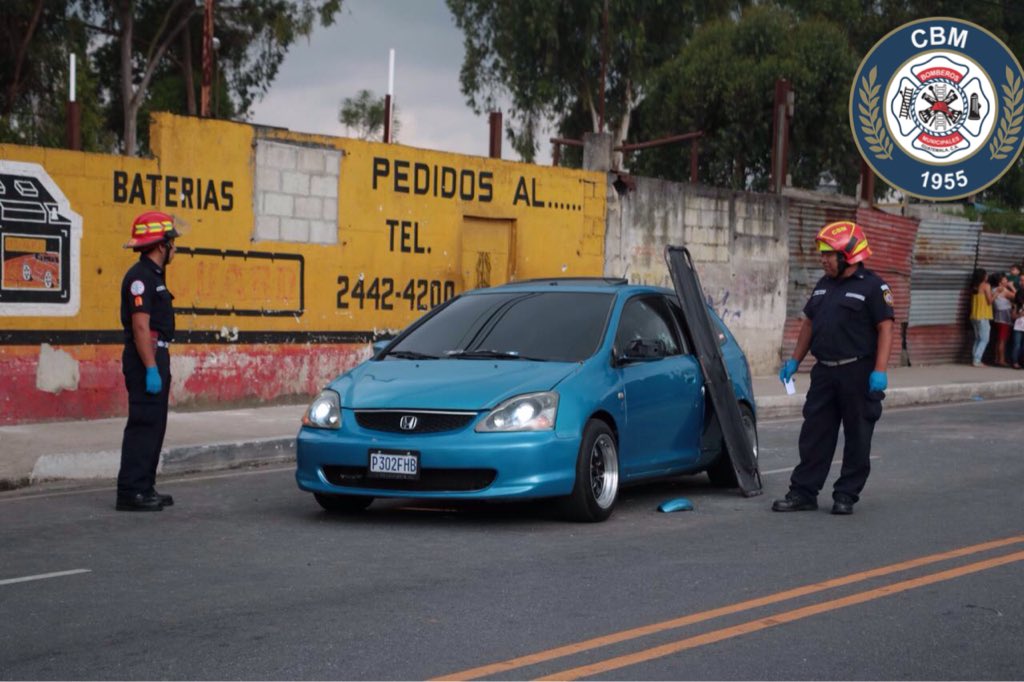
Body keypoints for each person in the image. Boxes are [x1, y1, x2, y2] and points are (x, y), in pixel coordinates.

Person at [773, 221, 894, 515]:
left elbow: (886, 328)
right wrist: (794, 360)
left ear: (849, 255)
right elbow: (810, 324)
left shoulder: (874, 287)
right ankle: (803, 493)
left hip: (858, 372)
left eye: (829, 254)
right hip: (824, 372)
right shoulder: (824, 285)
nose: (823, 259)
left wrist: (879, 370)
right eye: (823, 254)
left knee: (857, 435)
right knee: (814, 433)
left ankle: (846, 494)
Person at [115, 211, 180, 511]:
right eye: (171, 243)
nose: (174, 248)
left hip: (157, 355)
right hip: (146, 358)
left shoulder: (153, 277)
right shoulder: (140, 278)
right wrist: (151, 368)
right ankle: (131, 491)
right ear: (160, 246)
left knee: (155, 424)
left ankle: (145, 486)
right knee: (143, 423)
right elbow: (142, 327)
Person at [968, 268, 994, 368]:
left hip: (974, 315)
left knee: (978, 338)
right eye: (986, 275)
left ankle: (975, 359)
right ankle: (977, 360)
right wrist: (996, 293)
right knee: (984, 339)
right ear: (983, 276)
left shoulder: (974, 286)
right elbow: (990, 301)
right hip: (983, 316)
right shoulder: (986, 286)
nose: (987, 276)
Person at [990, 272, 1014, 366]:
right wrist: (1011, 286)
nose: (1007, 280)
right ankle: (1001, 360)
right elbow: (1017, 295)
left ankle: (996, 359)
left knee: (999, 339)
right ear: (1000, 282)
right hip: (1004, 317)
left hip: (997, 316)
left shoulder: (993, 289)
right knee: (1002, 340)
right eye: (1004, 279)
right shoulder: (1003, 290)